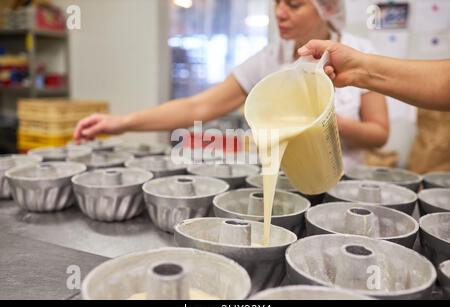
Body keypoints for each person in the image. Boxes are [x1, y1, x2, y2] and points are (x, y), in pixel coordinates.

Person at [74, 0, 389, 169]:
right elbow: (200, 106)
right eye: (277, 1)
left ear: (327, 8)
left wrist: (325, 122)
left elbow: (379, 135)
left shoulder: (358, 56)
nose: (279, 12)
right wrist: (122, 123)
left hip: (340, 180)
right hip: (278, 180)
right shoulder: (270, 59)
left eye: (293, 4)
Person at [298, 39, 450, 111]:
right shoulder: (275, 54)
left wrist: (356, 70)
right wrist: (355, 69)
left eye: (294, 5)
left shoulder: (358, 44)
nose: (280, 14)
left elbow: (444, 83)